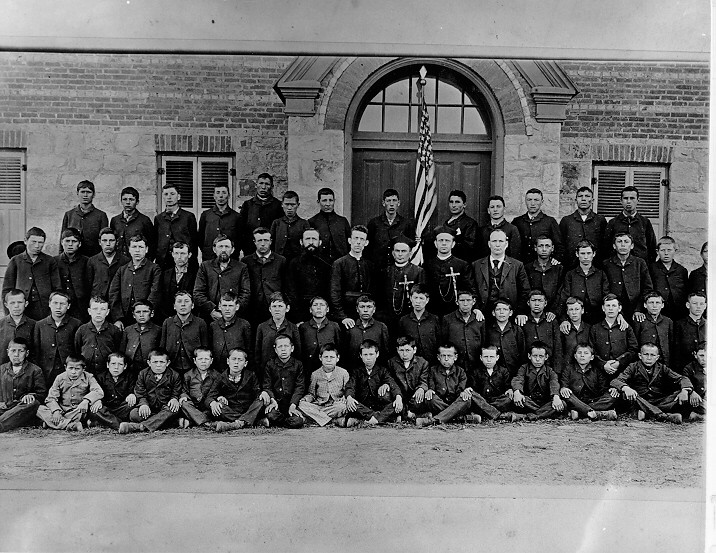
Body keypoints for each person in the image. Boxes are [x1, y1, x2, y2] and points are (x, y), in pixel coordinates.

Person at [610, 342, 692, 423]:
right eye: (646, 354)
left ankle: (647, 413)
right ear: (640, 356)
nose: (649, 358)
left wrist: (684, 390)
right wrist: (626, 388)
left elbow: (682, 378)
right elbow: (616, 380)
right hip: (639, 400)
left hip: (658, 401)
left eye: (652, 355)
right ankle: (662, 416)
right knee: (632, 395)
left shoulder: (662, 368)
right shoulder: (633, 367)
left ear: (657, 357)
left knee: (679, 393)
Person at [492, 341, 565, 421]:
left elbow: (554, 382)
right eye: (535, 356)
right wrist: (517, 391)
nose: (537, 359)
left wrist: (556, 396)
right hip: (529, 403)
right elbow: (518, 379)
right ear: (529, 356)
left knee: (562, 403)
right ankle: (544, 413)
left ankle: (526, 417)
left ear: (546, 357)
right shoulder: (524, 368)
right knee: (518, 399)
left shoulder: (549, 371)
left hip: (544, 403)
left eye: (541, 356)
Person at [2, 227, 61, 321]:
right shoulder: (16, 261)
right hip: (22, 308)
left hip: (44, 309)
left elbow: (57, 288)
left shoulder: (49, 261)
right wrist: (9, 314)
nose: (37, 246)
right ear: (25, 241)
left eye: (41, 242)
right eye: (33, 242)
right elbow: (7, 290)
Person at [119, 349, 183, 433]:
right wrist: (143, 404)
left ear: (168, 363)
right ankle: (172, 422)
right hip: (150, 408)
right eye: (155, 362)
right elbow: (140, 392)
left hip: (165, 408)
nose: (158, 365)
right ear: (149, 363)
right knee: (134, 414)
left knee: (174, 410)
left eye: (162, 362)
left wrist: (174, 398)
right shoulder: (143, 374)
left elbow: (176, 391)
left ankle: (140, 427)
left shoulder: (174, 375)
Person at [473, 229, 530, 319]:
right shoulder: (476, 265)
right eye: (494, 241)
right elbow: (472, 289)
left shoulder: (517, 265)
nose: (497, 244)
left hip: (508, 315)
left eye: (501, 241)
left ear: (506, 244)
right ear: (489, 244)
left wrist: (520, 312)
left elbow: (525, 291)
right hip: (483, 314)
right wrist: (476, 308)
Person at [36, 355, 103, 431]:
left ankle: (53, 423)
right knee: (39, 409)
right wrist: (56, 411)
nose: (73, 372)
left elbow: (98, 391)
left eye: (77, 369)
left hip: (78, 410)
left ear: (83, 369)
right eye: (70, 368)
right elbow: (51, 398)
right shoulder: (60, 378)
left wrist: (86, 401)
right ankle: (70, 424)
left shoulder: (88, 377)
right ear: (65, 367)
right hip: (62, 410)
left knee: (92, 406)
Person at [193, 235, 251, 322]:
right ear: (214, 249)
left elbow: (245, 293)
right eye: (220, 246)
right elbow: (198, 293)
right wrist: (211, 310)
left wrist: (232, 310)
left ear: (232, 250)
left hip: (235, 317)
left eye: (227, 246)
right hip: (209, 317)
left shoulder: (241, 267)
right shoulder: (205, 266)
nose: (223, 250)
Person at [108, 234, 162, 328]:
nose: (137, 250)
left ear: (146, 249)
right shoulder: (122, 270)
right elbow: (113, 294)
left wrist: (145, 313)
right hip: (125, 318)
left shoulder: (154, 269)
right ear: (129, 249)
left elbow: (155, 292)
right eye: (134, 247)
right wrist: (118, 318)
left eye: (141, 247)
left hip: (145, 318)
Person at [207, 348, 267, 432]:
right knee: (219, 406)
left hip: (248, 409)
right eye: (233, 359)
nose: (236, 362)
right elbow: (210, 396)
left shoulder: (251, 375)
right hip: (230, 410)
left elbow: (257, 392)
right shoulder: (220, 377)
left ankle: (235, 424)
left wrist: (262, 393)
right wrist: (213, 402)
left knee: (261, 399)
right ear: (228, 361)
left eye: (240, 360)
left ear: (245, 363)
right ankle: (250, 421)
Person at [344, 340, 401, 426]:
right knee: (352, 404)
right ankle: (380, 418)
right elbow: (350, 386)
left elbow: (392, 383)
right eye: (365, 355)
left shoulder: (382, 370)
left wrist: (398, 397)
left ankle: (371, 419)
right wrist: (349, 397)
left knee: (395, 403)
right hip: (364, 406)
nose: (368, 358)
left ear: (377, 354)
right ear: (360, 356)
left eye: (371, 354)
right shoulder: (357, 371)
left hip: (379, 405)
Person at [330, 225, 375, 329]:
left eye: (362, 239)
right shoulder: (339, 263)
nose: (358, 242)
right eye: (356, 238)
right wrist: (342, 316)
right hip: (346, 314)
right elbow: (335, 292)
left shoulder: (370, 265)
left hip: (366, 314)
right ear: (349, 240)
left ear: (366, 243)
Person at [423, 226, 474, 317]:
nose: (443, 244)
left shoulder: (462, 265)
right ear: (435, 243)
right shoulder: (427, 265)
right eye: (440, 240)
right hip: (432, 311)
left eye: (447, 241)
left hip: (455, 311)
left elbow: (469, 288)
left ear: (453, 244)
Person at [559, 343, 618, 421]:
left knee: (613, 395)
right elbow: (564, 383)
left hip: (593, 401)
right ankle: (594, 413)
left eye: (586, 353)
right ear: (575, 356)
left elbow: (603, 388)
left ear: (592, 357)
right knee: (566, 393)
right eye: (579, 353)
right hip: (575, 400)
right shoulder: (568, 369)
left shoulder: (596, 370)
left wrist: (611, 390)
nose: (582, 355)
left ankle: (581, 412)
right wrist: (564, 388)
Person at [32, 291, 81, 383]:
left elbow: (78, 349)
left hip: (68, 372)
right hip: (46, 372)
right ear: (49, 304)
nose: (58, 307)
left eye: (62, 304)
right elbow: (36, 351)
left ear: (68, 306)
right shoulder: (40, 325)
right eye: (55, 303)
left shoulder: (76, 324)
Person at [415, 342, 468, 427]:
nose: (446, 359)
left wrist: (462, 393)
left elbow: (460, 390)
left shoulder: (460, 372)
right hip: (439, 403)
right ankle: (458, 417)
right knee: (430, 398)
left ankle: (434, 420)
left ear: (455, 357)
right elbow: (431, 386)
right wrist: (430, 390)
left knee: (466, 399)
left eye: (449, 356)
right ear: (438, 357)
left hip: (456, 402)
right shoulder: (432, 370)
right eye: (443, 356)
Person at [285, 228, 333, 322]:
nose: (311, 242)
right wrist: (297, 318)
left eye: (314, 239)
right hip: (300, 313)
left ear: (320, 242)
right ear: (301, 242)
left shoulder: (328, 263)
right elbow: (291, 292)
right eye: (307, 239)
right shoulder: (293, 264)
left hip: (323, 313)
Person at [603, 232, 653, 320]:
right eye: (619, 242)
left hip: (635, 309)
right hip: (613, 309)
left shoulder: (640, 263)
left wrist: (638, 309)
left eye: (626, 242)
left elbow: (647, 288)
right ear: (614, 246)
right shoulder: (607, 264)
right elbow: (605, 290)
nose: (623, 245)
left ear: (632, 245)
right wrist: (617, 311)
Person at [298, 343, 351, 427]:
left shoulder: (343, 373)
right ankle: (332, 420)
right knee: (302, 405)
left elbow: (348, 390)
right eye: (326, 357)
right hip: (320, 405)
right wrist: (305, 399)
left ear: (337, 358)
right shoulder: (315, 374)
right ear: (320, 358)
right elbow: (311, 394)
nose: (329, 360)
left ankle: (317, 419)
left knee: (343, 407)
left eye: (332, 357)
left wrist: (344, 398)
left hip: (335, 405)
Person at [558, 240, 609, 325]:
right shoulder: (570, 274)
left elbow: (606, 296)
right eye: (582, 253)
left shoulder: (601, 274)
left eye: (589, 253)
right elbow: (564, 297)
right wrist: (564, 319)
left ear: (594, 254)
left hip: (598, 317)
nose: (586, 257)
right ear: (577, 254)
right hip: (576, 316)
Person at [0, 338, 46, 432]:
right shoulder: (2, 369)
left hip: (22, 408)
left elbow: (42, 393)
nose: (16, 354)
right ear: (8, 352)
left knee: (32, 403)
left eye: (21, 351)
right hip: (5, 407)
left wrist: (31, 395)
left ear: (27, 353)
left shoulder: (35, 370)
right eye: (13, 351)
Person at [588, 294, 638, 379]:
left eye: (614, 305)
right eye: (608, 305)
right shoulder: (595, 328)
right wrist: (603, 364)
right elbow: (591, 350)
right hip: (600, 372)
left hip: (623, 372)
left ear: (619, 308)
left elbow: (633, 349)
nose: (610, 308)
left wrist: (619, 362)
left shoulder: (626, 327)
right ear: (603, 308)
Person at [260, 334, 305, 428]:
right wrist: (272, 400)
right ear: (275, 350)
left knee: (298, 421)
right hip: (276, 403)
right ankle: (282, 421)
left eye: (286, 346)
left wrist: (293, 405)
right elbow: (267, 385)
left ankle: (277, 423)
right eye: (280, 347)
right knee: (271, 415)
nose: (283, 349)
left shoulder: (298, 365)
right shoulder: (270, 364)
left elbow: (299, 387)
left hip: (291, 403)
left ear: (292, 348)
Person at [366, 188, 416, 271]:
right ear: (383, 203)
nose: (391, 204)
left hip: (399, 269)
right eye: (388, 201)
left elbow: (410, 246)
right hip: (378, 269)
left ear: (398, 203)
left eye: (394, 200)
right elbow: (368, 248)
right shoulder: (374, 223)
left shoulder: (406, 224)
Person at [604, 185, 657, 262]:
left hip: (640, 267)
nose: (628, 201)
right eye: (625, 198)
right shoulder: (613, 223)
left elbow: (652, 248)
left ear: (638, 200)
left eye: (632, 198)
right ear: (621, 201)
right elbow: (606, 248)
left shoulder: (645, 222)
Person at [160, 291, 208, 376]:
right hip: (172, 368)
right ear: (174, 306)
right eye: (179, 301)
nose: (183, 304)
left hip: (193, 368)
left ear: (192, 305)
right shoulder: (167, 322)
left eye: (186, 301)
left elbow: (205, 347)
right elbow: (162, 347)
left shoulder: (200, 323)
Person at [244, 227, 287, 322]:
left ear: (271, 241)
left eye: (266, 240)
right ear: (254, 242)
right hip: (253, 309)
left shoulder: (281, 260)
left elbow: (286, 285)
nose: (263, 244)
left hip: (274, 307)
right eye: (259, 240)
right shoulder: (246, 261)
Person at [254, 292, 301, 378]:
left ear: (287, 308)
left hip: (288, 373)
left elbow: (297, 352)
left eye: (280, 306)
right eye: (274, 306)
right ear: (269, 309)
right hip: (267, 373)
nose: (277, 309)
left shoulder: (293, 327)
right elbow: (258, 354)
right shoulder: (262, 327)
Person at [559, 187, 608, 268]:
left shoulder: (600, 220)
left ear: (592, 200)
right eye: (580, 196)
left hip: (596, 266)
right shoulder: (566, 221)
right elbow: (561, 243)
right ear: (576, 200)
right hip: (571, 266)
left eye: (587, 196)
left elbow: (605, 244)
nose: (583, 199)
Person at [237, 172, 284, 256]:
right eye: (261, 183)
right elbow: (241, 228)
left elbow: (280, 230)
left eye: (267, 184)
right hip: (250, 250)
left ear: (272, 187)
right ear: (256, 185)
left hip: (270, 251)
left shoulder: (278, 205)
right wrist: (245, 247)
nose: (263, 187)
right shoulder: (248, 205)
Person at [511, 188, 564, 262]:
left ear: (542, 202)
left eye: (536, 200)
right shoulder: (517, 221)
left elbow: (559, 245)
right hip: (521, 265)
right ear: (525, 201)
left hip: (542, 266)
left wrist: (556, 259)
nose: (532, 203)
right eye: (529, 200)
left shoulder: (550, 221)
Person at [74, 296, 122, 376]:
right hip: (87, 373)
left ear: (107, 312)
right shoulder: (82, 330)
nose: (98, 312)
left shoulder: (114, 330)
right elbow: (77, 349)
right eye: (95, 309)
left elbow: (118, 350)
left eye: (103, 309)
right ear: (89, 311)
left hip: (107, 373)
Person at [298, 296, 342, 382]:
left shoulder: (334, 326)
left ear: (327, 309)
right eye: (315, 305)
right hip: (308, 369)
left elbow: (339, 347)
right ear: (310, 310)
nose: (318, 308)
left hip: (329, 371)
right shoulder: (303, 327)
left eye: (322, 305)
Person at [154, 183, 198, 269]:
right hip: (164, 263)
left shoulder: (188, 217)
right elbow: (155, 241)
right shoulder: (159, 218)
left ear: (178, 197)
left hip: (184, 262)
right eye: (166, 194)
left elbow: (194, 241)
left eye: (172, 194)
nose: (169, 197)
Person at [60, 180, 108, 257]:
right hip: (73, 258)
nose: (85, 195)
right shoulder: (69, 215)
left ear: (94, 195)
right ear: (77, 193)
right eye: (82, 192)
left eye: (88, 192)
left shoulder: (101, 215)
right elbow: (62, 238)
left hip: (93, 257)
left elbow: (104, 240)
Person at [387, 336, 431, 420]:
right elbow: (391, 381)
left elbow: (424, 380)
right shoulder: (391, 362)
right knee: (385, 395)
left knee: (422, 397)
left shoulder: (422, 362)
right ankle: (409, 415)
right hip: (399, 395)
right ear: (397, 350)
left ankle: (403, 414)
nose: (404, 354)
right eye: (401, 350)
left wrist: (421, 388)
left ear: (414, 350)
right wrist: (398, 395)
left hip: (414, 396)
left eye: (408, 350)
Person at [440, 290, 485, 373]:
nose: (465, 304)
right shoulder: (448, 319)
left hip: (475, 362)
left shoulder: (479, 319)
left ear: (474, 301)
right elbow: (444, 340)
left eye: (468, 300)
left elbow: (483, 341)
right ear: (457, 302)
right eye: (462, 301)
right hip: (456, 363)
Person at [208, 292, 252, 374]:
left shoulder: (244, 325)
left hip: (237, 371)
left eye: (231, 306)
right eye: (224, 306)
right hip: (217, 370)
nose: (227, 309)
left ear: (237, 307)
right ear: (219, 306)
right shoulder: (213, 326)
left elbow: (249, 350)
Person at [344, 295, 390, 373]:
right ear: (357, 309)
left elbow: (386, 352)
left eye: (369, 307)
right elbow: (345, 352)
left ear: (374, 309)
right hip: (354, 370)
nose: (365, 310)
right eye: (362, 307)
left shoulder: (381, 327)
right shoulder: (350, 327)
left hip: (375, 372)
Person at [522, 289, 563, 374]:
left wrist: (557, 370)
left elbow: (557, 346)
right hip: (528, 369)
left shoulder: (551, 321)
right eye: (533, 300)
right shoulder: (523, 321)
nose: (536, 304)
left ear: (545, 303)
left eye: (540, 301)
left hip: (549, 367)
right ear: (528, 303)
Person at [92, 353, 137, 430]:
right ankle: (119, 425)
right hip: (107, 407)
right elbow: (96, 391)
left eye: (120, 364)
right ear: (107, 365)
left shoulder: (130, 377)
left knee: (132, 405)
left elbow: (133, 389)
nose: (116, 367)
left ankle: (106, 422)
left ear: (125, 366)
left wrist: (132, 394)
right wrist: (98, 400)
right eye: (113, 364)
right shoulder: (100, 377)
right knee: (95, 409)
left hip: (122, 407)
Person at [198, 183, 241, 261]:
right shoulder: (206, 215)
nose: (221, 196)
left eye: (224, 193)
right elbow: (200, 238)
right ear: (214, 196)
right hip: (209, 258)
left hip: (230, 259)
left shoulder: (236, 216)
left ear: (229, 196)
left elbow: (240, 239)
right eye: (218, 193)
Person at [398, 285, 440, 365]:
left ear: (427, 300)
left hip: (431, 362)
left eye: (421, 298)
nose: (418, 301)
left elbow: (439, 341)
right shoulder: (404, 320)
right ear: (410, 298)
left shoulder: (434, 319)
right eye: (415, 298)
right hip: (412, 364)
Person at [110, 186, 155, 259]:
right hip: (119, 262)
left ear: (137, 202)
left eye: (131, 199)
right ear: (121, 201)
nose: (128, 202)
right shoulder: (115, 220)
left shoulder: (144, 220)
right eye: (125, 199)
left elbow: (152, 244)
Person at [178, 348, 219, 428]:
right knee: (183, 404)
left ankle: (194, 421)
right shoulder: (188, 375)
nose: (203, 361)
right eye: (200, 359)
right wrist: (183, 396)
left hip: (208, 406)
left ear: (211, 361)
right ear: (195, 361)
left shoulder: (216, 375)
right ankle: (206, 422)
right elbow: (184, 390)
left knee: (217, 407)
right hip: (193, 406)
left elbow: (218, 390)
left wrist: (219, 398)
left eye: (206, 359)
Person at [55, 227, 90, 322]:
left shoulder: (87, 262)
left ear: (79, 244)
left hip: (80, 307)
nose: (70, 244)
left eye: (74, 241)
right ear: (62, 242)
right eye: (67, 241)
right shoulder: (54, 261)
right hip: (60, 306)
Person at [649, 236, 688, 321]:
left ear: (675, 251)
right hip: (659, 310)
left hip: (678, 311)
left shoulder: (681, 270)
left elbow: (686, 290)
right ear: (657, 251)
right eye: (662, 250)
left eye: (669, 250)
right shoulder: (651, 269)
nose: (666, 253)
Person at [119, 300, 161, 378]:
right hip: (130, 370)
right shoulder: (128, 330)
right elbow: (122, 351)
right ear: (134, 315)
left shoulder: (158, 330)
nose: (141, 315)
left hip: (149, 370)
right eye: (138, 312)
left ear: (152, 313)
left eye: (145, 311)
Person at [308, 187, 351, 262]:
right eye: (324, 201)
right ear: (318, 202)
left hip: (341, 263)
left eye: (330, 200)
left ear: (334, 201)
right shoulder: (312, 222)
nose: (328, 204)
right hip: (320, 263)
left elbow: (350, 243)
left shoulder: (342, 221)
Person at [525, 235, 564, 318]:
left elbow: (560, 292)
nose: (544, 249)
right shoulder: (528, 268)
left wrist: (554, 311)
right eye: (540, 246)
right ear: (535, 248)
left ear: (552, 248)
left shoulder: (558, 268)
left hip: (553, 312)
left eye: (547, 246)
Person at [632, 291, 673, 368]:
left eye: (657, 303)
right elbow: (635, 343)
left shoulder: (668, 321)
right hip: (644, 363)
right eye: (651, 303)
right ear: (645, 305)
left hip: (664, 362)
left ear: (662, 305)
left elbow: (671, 343)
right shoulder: (640, 321)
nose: (654, 306)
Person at [87, 227, 129, 302]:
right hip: (98, 302)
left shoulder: (125, 261)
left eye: (111, 240)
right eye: (104, 240)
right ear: (100, 242)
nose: (108, 244)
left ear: (117, 242)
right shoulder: (92, 261)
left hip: (117, 301)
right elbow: (89, 284)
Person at [485, 299, 526, 377]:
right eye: (498, 309)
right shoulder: (488, 330)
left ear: (510, 313)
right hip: (495, 373)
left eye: (505, 309)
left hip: (513, 371)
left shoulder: (517, 330)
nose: (501, 312)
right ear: (493, 313)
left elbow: (522, 352)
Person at [158, 241, 197, 321]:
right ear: (172, 254)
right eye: (176, 253)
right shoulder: (165, 274)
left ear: (189, 255)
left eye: (183, 253)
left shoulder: (196, 274)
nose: (179, 257)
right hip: (167, 317)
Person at [270, 190, 311, 263]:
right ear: (282, 204)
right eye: (286, 204)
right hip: (279, 262)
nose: (289, 208)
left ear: (298, 205)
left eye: (293, 205)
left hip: (297, 263)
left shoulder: (304, 223)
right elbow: (271, 243)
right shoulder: (277, 223)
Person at [477, 195, 522, 259]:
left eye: (498, 207)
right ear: (488, 210)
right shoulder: (482, 230)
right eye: (492, 207)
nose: (495, 210)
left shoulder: (512, 229)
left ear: (504, 209)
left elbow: (515, 254)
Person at [441, 190, 478, 262]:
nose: (453, 205)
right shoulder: (446, 223)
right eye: (451, 202)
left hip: (460, 262)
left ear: (464, 205)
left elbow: (469, 247)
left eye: (457, 202)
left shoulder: (470, 223)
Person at [0, 289, 36, 365]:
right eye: (12, 303)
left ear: (26, 304)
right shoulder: (1, 324)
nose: (16, 306)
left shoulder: (34, 325)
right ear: (6, 305)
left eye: (20, 302)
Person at [673, 291, 707, 372]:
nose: (698, 307)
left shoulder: (710, 324)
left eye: (701, 304)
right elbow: (676, 351)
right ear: (688, 305)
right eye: (695, 303)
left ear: (705, 306)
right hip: (685, 368)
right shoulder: (679, 324)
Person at [558, 297, 591, 376]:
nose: (574, 312)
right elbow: (559, 351)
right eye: (571, 310)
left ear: (582, 311)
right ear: (567, 312)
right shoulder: (563, 329)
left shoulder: (589, 328)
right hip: (568, 369)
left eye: (577, 309)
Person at [682, 342, 706, 421]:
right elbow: (685, 381)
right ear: (695, 355)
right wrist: (691, 392)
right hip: (698, 400)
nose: (705, 359)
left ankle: (700, 417)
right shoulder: (689, 368)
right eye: (701, 355)